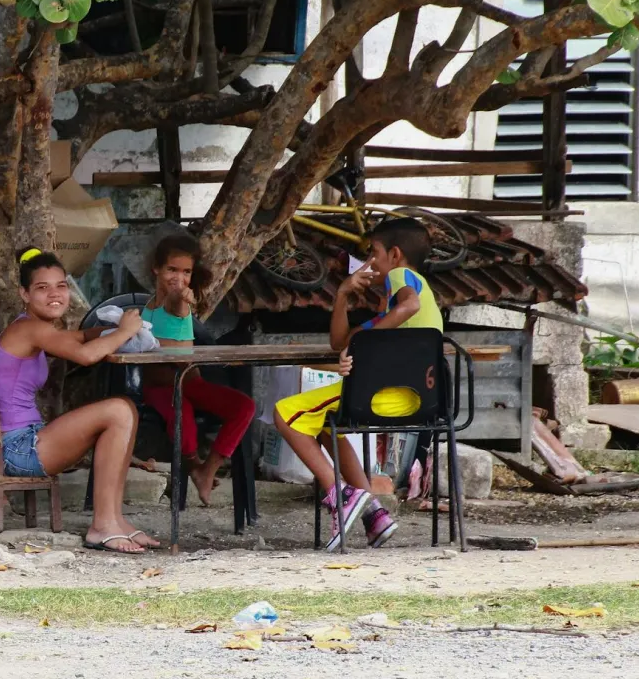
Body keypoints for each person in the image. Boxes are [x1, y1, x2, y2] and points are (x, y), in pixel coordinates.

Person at [273, 217, 443, 551]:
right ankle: (373, 515)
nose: (368, 263)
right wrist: (342, 295)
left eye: (373, 254)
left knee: (285, 414)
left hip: (383, 396)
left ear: (394, 255)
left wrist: (366, 346)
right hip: (418, 400)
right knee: (320, 424)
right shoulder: (389, 311)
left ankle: (341, 495)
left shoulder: (400, 277)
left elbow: (409, 304)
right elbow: (340, 342)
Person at [0, 248, 159, 554]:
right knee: (117, 410)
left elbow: (80, 339)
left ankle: (114, 519)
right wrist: (125, 330)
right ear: (24, 293)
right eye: (42, 288)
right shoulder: (29, 329)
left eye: (61, 285)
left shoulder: (33, 329)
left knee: (125, 409)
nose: (55, 294)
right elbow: (86, 355)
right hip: (16, 450)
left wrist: (109, 329)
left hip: (16, 445)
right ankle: (101, 526)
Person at [139, 234, 256, 506]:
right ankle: (193, 466)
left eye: (186, 272)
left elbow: (180, 305)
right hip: (160, 387)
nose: (179, 278)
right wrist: (180, 298)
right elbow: (176, 305)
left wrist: (183, 298)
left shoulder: (179, 303)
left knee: (244, 406)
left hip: (191, 383)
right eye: (172, 270)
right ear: (156, 269)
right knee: (183, 415)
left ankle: (209, 468)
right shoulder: (154, 305)